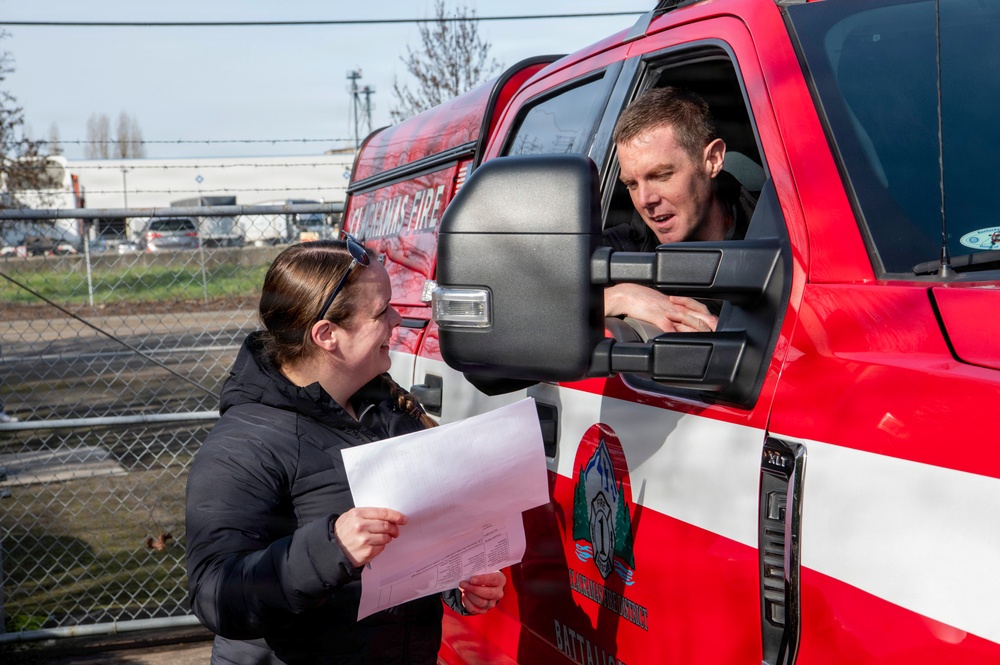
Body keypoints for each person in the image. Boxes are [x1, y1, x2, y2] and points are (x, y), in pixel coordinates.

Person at [185, 237, 506, 665]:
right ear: (327, 335)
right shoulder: (245, 443)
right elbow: (215, 595)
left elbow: (412, 540)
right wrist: (332, 547)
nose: (399, 320)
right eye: (381, 310)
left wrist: (455, 578)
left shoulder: (389, 411)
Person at [603, 86, 757, 333]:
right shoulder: (620, 252)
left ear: (713, 160)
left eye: (661, 175)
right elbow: (530, 300)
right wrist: (621, 297)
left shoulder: (784, 227)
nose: (644, 199)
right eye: (631, 184)